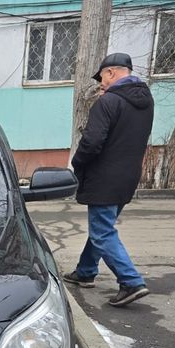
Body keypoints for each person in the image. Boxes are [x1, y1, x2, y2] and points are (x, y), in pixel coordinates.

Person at [63, 52, 154, 307]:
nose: (101, 83)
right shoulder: (146, 101)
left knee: (102, 232)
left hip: (104, 177)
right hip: (128, 176)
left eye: (102, 77)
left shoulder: (108, 102)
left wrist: (77, 162)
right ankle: (85, 271)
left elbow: (92, 142)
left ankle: (131, 281)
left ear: (111, 73)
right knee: (102, 228)